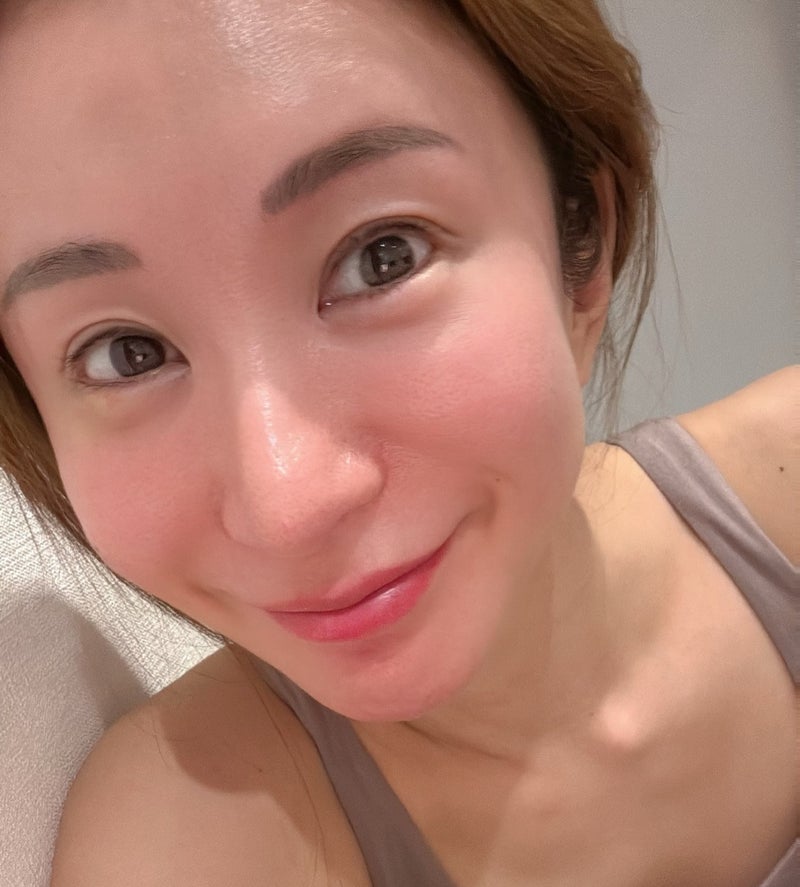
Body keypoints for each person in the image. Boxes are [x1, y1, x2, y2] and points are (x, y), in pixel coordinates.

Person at [0, 1, 795, 884]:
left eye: (382, 256)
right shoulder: (186, 843)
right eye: (127, 353)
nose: (289, 502)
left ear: (582, 240)